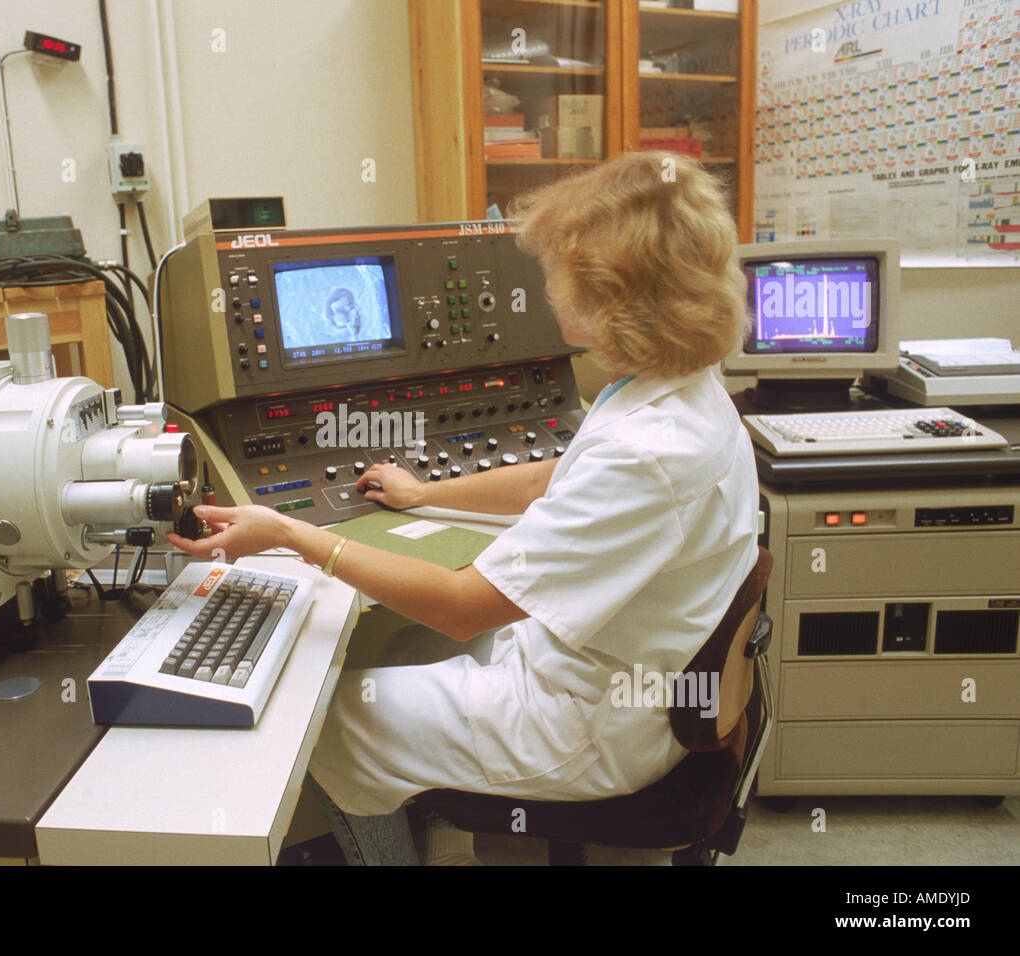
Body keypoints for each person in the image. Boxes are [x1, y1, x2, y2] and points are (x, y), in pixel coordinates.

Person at [167, 152, 759, 865]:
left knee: (325, 716)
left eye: (558, 270)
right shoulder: (684, 387)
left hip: (596, 726)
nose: (544, 285)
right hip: (621, 677)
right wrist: (424, 494)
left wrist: (294, 534)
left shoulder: (650, 451)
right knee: (404, 655)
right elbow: (557, 475)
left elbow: (460, 606)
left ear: (610, 292)